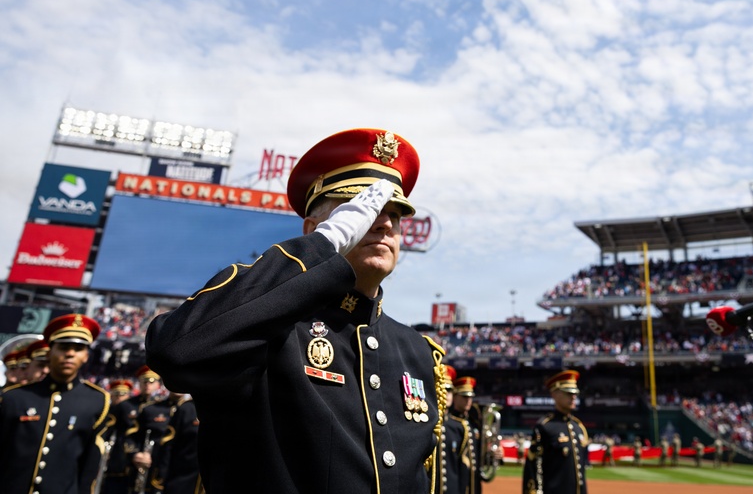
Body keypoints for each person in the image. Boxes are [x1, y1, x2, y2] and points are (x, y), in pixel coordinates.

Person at [145, 128, 447, 494]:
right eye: (361, 210)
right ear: (313, 229)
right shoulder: (265, 323)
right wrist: (323, 247)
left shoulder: (416, 351)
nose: (383, 222)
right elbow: (177, 352)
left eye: (395, 215)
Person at [0, 313, 112, 493]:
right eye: (63, 347)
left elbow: (89, 465)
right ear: (50, 351)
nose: (69, 353)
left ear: (85, 356)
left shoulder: (97, 401)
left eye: (78, 348)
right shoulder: (14, 398)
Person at [522, 369, 589, 494]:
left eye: (574, 393)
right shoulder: (545, 427)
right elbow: (533, 468)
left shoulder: (578, 427)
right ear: (554, 394)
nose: (573, 397)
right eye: (568, 393)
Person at [103, 366, 163, 494]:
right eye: (145, 381)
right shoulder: (125, 405)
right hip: (123, 458)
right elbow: (109, 429)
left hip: (150, 459)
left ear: (158, 385)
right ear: (139, 383)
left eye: (152, 382)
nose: (148, 385)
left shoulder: (161, 407)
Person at [435, 365, 471, 494]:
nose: (446, 393)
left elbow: (463, 468)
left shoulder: (459, 428)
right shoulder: (427, 425)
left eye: (449, 390)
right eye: (443, 388)